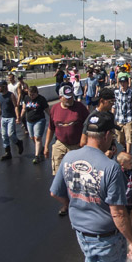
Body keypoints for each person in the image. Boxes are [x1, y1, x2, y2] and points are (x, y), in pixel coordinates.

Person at [49, 110, 132, 262]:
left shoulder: (69, 158)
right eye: (112, 135)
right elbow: (118, 213)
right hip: (106, 234)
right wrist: (131, 240)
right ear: (107, 135)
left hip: (81, 231)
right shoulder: (110, 167)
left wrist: (75, 203)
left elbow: (55, 192)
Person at [46, 84, 89, 216]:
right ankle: (66, 203)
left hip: (76, 145)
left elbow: (88, 125)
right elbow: (51, 128)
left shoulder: (80, 108)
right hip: (60, 144)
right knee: (59, 175)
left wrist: (85, 141)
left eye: (71, 97)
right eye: (67, 97)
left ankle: (80, 202)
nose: (70, 99)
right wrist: (46, 146)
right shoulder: (54, 109)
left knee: (77, 176)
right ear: (60, 97)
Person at [0, 81, 22, 161]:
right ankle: (8, 153)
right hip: (3, 118)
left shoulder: (11, 95)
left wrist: (17, 117)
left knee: (11, 134)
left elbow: (15, 106)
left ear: (4, 86)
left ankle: (19, 143)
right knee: (4, 135)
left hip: (11, 118)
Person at [113, 72, 132, 154]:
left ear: (127, 83)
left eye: (124, 82)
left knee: (129, 138)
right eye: (121, 82)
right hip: (119, 119)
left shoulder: (131, 92)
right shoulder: (116, 93)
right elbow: (114, 105)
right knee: (119, 138)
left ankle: (128, 154)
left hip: (128, 118)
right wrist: (111, 116)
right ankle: (124, 146)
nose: (123, 84)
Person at [23, 85, 50, 164]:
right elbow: (24, 109)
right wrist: (19, 117)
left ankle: (37, 156)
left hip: (39, 120)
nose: (31, 96)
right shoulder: (26, 98)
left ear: (36, 93)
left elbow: (47, 110)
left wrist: (52, 118)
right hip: (29, 121)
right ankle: (41, 148)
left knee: (37, 138)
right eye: (30, 94)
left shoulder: (41, 99)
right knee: (32, 137)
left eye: (33, 94)